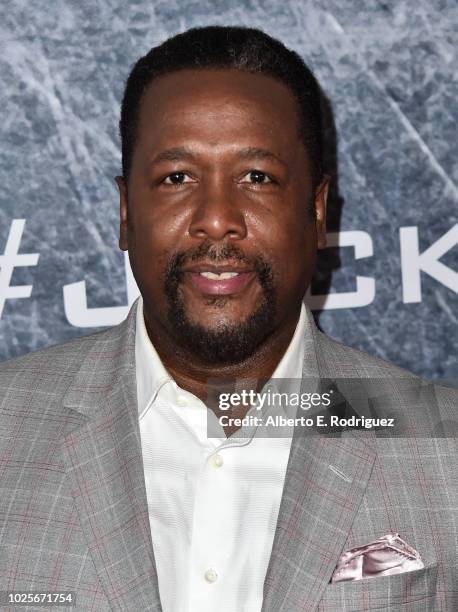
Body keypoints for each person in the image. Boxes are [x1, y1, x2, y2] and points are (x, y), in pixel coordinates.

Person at [0, 26, 456, 612]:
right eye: (177, 178)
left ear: (317, 213)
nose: (217, 220)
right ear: (123, 212)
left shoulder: (444, 446)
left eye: (257, 178)